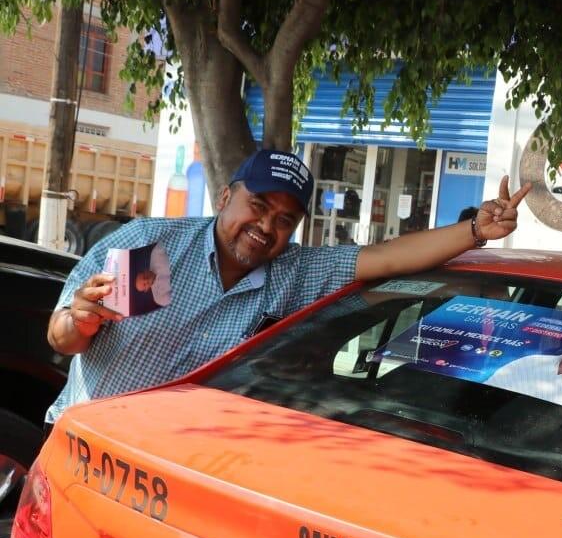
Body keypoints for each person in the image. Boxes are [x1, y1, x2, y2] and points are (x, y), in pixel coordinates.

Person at [46, 149, 530, 422]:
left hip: (174, 467)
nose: (265, 226)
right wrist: (80, 320)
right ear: (224, 196)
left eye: (284, 219)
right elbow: (62, 336)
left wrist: (474, 232)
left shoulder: (294, 273)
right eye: (257, 206)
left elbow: (384, 258)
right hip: (89, 440)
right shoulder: (147, 244)